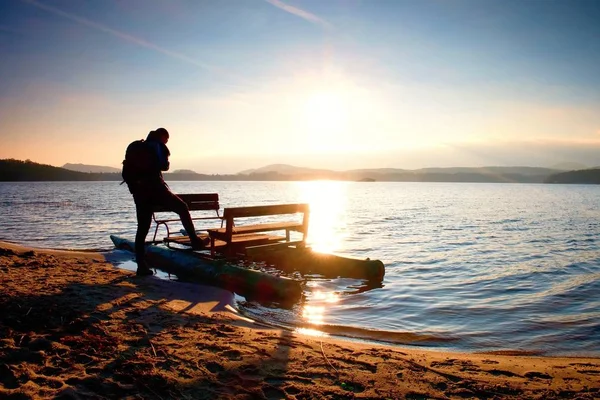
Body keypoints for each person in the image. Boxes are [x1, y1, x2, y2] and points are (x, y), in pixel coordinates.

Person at [124, 127, 208, 276]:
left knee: (142, 228)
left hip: (139, 193)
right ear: (163, 136)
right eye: (167, 140)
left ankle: (141, 266)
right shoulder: (157, 145)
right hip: (156, 190)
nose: (166, 142)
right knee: (182, 207)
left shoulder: (137, 146)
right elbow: (164, 166)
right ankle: (194, 240)